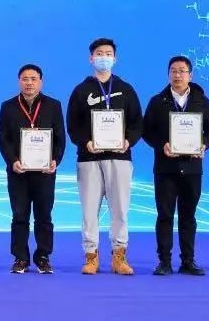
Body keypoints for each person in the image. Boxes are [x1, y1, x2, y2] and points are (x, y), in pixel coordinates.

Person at [66, 38, 143, 275]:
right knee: (89, 211)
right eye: (99, 53)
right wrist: (85, 142)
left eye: (108, 53)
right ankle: (91, 256)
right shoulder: (81, 90)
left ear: (115, 59)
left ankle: (119, 256)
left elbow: (137, 122)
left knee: (120, 210)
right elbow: (72, 124)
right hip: (89, 158)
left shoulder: (126, 89)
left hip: (120, 158)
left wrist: (128, 140)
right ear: (91, 58)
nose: (104, 57)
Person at [142, 55, 209, 276]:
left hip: (192, 169)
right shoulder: (158, 101)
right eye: (173, 71)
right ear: (168, 75)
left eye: (182, 71)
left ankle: (188, 261)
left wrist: (204, 144)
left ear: (190, 75)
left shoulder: (201, 100)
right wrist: (162, 145)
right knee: (165, 215)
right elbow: (146, 131)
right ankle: (164, 262)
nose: (178, 75)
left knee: (188, 216)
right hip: (165, 169)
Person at [0, 64, 66, 274]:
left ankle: (43, 257)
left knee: (44, 215)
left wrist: (55, 160)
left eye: (33, 79)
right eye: (25, 79)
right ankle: (20, 258)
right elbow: (3, 139)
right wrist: (12, 161)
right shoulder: (8, 106)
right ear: (19, 81)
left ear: (41, 82)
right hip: (18, 172)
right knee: (19, 215)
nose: (29, 83)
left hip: (45, 172)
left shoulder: (53, 105)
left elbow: (60, 138)